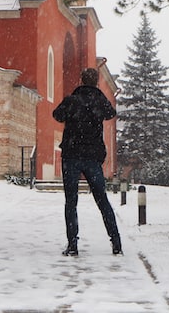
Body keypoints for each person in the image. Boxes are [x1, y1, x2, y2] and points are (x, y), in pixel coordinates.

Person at [52, 67, 122, 257]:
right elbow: (110, 113)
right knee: (102, 200)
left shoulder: (72, 100)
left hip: (72, 155)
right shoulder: (99, 101)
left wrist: (72, 111)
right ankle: (116, 243)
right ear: (96, 81)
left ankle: (72, 245)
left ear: (81, 80)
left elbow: (57, 115)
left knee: (71, 201)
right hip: (92, 156)